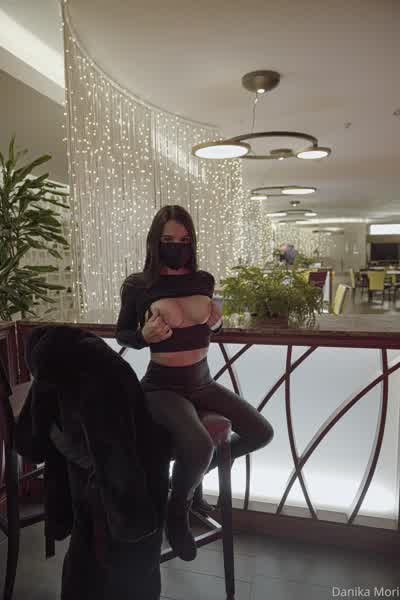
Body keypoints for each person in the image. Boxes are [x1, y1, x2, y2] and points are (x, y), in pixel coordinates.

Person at [116, 205, 274, 561]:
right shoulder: (139, 285)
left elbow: (210, 329)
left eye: (184, 240)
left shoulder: (204, 280)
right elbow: (122, 334)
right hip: (162, 387)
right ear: (155, 241)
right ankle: (178, 511)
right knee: (199, 445)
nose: (177, 246)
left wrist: (217, 324)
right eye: (169, 239)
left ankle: (189, 481)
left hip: (202, 382)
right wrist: (142, 335)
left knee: (261, 432)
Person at [15, 325, 170, 600]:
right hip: (126, 479)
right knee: (133, 566)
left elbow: (31, 445)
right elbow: (117, 453)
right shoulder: (104, 367)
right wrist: (130, 515)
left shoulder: (48, 373)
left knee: (84, 556)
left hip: (82, 476)